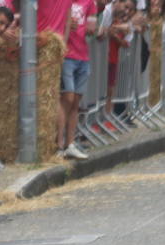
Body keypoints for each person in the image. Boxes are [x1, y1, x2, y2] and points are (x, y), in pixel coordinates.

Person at [58, 0, 97, 159]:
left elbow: (92, 27)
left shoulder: (90, 2)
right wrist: (66, 25)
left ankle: (70, 143)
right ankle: (59, 144)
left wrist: (91, 28)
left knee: (75, 103)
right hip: (67, 55)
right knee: (68, 97)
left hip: (83, 56)